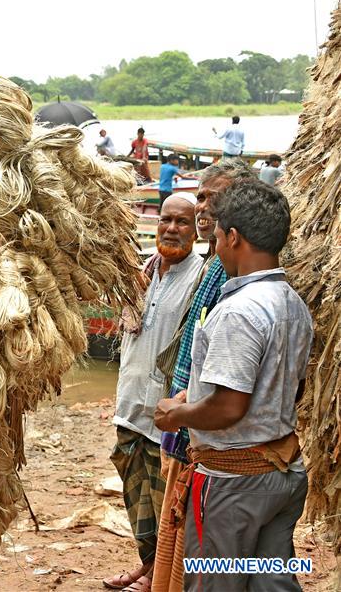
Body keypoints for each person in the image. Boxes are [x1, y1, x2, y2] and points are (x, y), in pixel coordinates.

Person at [155, 178, 312, 592]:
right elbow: (286, 389)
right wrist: (203, 396)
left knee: (216, 583)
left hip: (234, 484)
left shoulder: (238, 311)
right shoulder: (291, 302)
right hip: (283, 474)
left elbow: (229, 408)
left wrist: (178, 414)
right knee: (270, 583)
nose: (217, 244)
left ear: (234, 237)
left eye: (219, 234)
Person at [150, 158, 258, 592]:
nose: (203, 207)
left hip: (206, 428)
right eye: (201, 197)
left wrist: (185, 413)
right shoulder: (215, 263)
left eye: (215, 198)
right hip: (187, 414)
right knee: (179, 533)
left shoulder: (233, 273)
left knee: (206, 550)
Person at [106, 192, 203, 592]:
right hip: (129, 404)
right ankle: (147, 566)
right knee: (135, 499)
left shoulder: (200, 278)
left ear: (197, 229)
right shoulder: (141, 270)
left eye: (183, 222)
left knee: (164, 504)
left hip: (164, 416)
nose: (172, 228)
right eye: (166, 220)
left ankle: (153, 573)